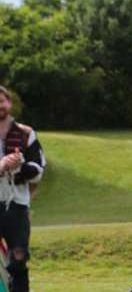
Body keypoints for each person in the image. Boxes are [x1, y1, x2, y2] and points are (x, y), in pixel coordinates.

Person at [0, 86, 46, 292]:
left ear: (9, 102)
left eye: (1, 101)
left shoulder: (26, 133)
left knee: (18, 260)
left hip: (17, 207)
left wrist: (18, 166)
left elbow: (37, 170)